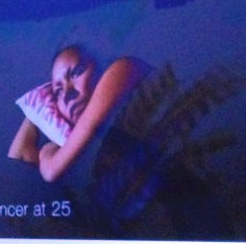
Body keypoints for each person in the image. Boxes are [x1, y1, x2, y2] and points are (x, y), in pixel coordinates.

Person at [8, 45, 146, 182]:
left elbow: (51, 172)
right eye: (58, 91)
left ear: (101, 65)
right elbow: (20, 156)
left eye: (75, 73)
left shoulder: (123, 68)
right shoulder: (86, 154)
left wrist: (46, 151)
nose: (67, 93)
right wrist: (35, 113)